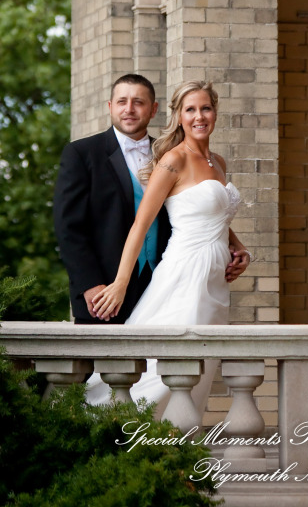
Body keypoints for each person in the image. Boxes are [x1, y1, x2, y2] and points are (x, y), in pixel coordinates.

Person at [87, 80, 251, 409]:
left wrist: (239, 248)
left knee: (202, 368)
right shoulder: (173, 160)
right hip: (186, 274)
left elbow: (216, 215)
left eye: (205, 108)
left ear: (215, 112)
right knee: (171, 366)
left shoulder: (217, 161)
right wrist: (120, 283)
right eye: (190, 109)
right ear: (178, 116)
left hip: (216, 279)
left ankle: (174, 448)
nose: (199, 116)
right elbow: (140, 226)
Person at [53, 73, 171, 323]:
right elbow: (68, 229)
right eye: (121, 102)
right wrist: (90, 284)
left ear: (153, 109)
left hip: (163, 285)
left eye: (138, 102)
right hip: (104, 292)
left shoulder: (169, 155)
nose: (129, 109)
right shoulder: (81, 153)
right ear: (110, 107)